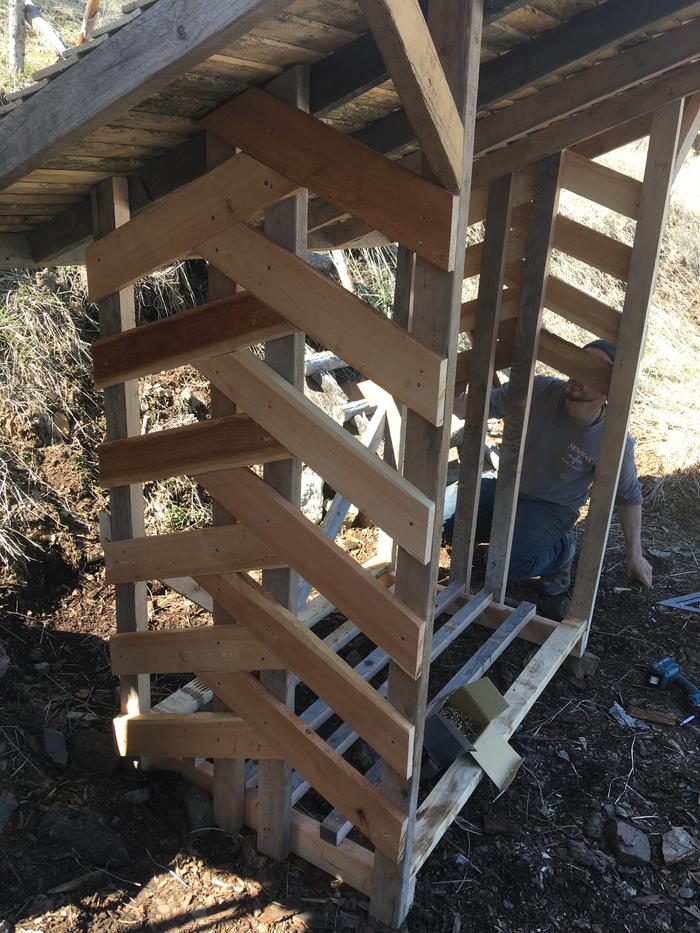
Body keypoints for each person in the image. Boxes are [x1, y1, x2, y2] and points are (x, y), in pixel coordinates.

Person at [444, 339, 652, 620]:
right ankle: (506, 536)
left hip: (551, 507)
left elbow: (629, 496)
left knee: (509, 563)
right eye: (578, 363)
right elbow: (474, 407)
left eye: (592, 371)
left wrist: (634, 554)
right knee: (445, 527)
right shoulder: (539, 389)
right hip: (507, 488)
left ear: (609, 389)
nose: (578, 374)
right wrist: (452, 381)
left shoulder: (612, 440)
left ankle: (562, 551)